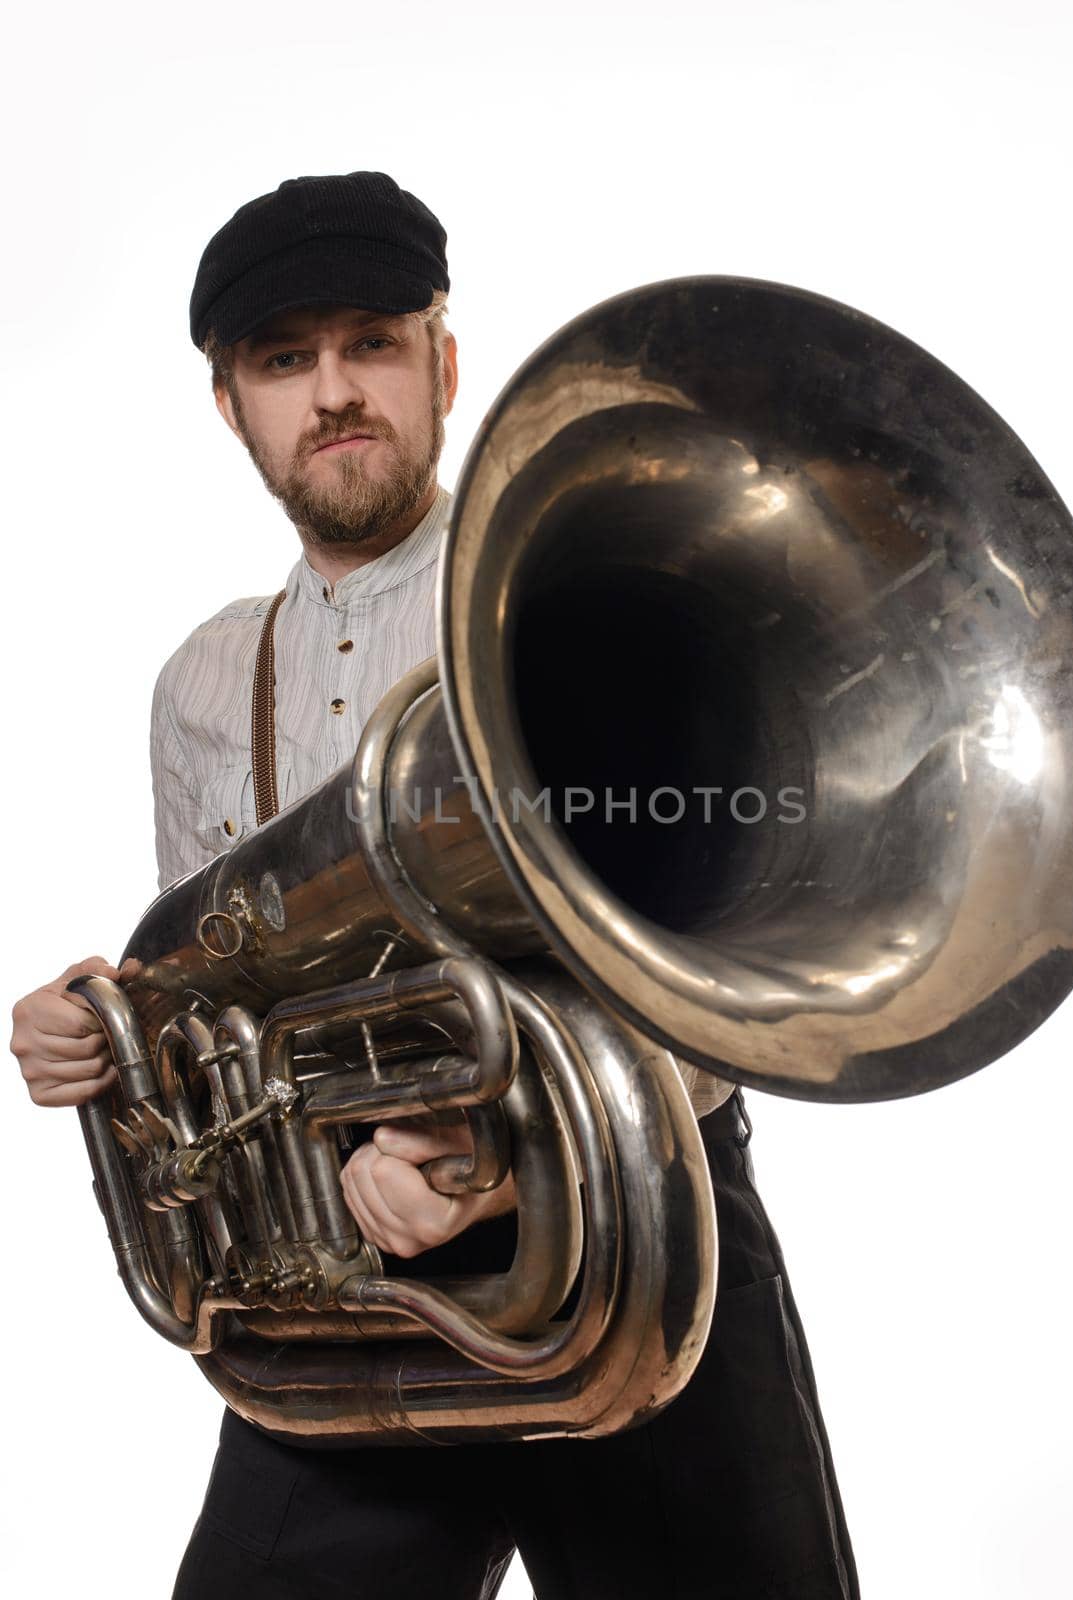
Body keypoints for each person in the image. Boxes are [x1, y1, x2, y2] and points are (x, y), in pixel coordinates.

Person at [10, 171, 860, 1600]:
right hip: (355, 1270)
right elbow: (222, 1004)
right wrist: (115, 1032)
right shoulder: (204, 684)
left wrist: (493, 1150)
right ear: (233, 405)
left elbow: (719, 966)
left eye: (373, 344)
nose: (333, 392)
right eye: (286, 360)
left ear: (445, 364)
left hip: (643, 1221)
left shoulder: (579, 580)